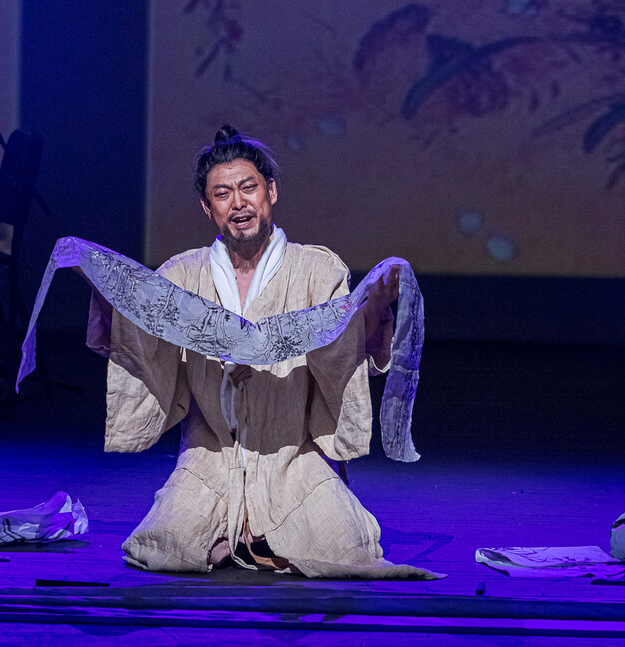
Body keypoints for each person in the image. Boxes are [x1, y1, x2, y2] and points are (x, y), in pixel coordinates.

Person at [101, 125, 433, 578]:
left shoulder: (317, 268)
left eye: (248, 188)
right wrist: (111, 297)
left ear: (270, 192)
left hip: (291, 453)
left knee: (348, 551)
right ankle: (240, 533)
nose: (238, 203)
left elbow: (341, 353)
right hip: (213, 451)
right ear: (207, 206)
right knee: (164, 548)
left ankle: (254, 533)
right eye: (222, 194)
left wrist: (374, 306)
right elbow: (149, 346)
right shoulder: (182, 273)